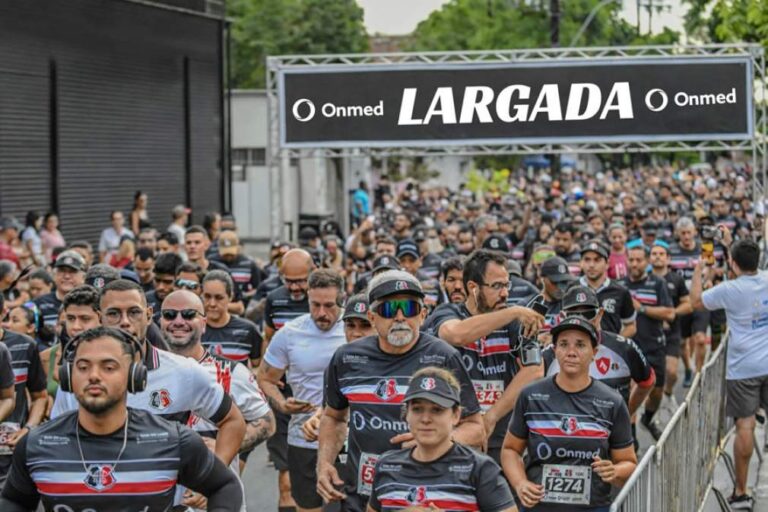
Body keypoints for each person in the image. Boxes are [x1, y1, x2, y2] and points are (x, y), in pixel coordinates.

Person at [0, 326, 243, 511]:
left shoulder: (173, 440)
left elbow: (225, 486)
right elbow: (13, 501)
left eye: (109, 367)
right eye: (83, 367)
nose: (94, 376)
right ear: (67, 377)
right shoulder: (37, 445)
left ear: (134, 377)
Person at [317, 270, 483, 512]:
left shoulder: (444, 357)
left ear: (423, 315)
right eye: (388, 309)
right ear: (372, 317)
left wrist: (437, 438)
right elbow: (333, 417)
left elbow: (477, 428)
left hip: (426, 498)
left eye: (409, 308)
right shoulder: (346, 358)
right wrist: (324, 464)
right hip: (361, 495)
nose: (399, 317)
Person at [50, 280, 246, 472]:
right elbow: (57, 441)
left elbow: (233, 421)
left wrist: (211, 476)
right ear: (100, 318)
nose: (125, 322)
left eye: (134, 312)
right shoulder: (78, 376)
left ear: (149, 315)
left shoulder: (183, 371)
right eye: (114, 314)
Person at [502, 316, 637, 512]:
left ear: (594, 353)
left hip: (593, 507)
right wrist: (520, 483)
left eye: (580, 345)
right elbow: (510, 450)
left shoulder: (612, 401)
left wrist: (615, 470)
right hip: (539, 507)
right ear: (555, 350)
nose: (571, 352)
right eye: (564, 344)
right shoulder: (530, 395)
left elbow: (629, 462)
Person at [425, 249, 544, 464]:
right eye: (497, 286)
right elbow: (456, 334)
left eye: (506, 285)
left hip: (501, 431)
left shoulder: (513, 322)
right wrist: (513, 312)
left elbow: (535, 369)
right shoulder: (447, 312)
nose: (505, 293)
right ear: (473, 288)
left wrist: (491, 418)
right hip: (455, 430)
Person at [160, 290, 275, 484]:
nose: (178, 321)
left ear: (204, 324)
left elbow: (267, 422)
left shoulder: (231, 372)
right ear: (160, 322)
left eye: (188, 314)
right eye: (170, 315)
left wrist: (223, 448)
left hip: (216, 493)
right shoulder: (145, 373)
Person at [367, 367, 516, 512]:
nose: (425, 419)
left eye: (437, 410)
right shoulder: (386, 465)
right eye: (417, 409)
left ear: (456, 415)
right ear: (406, 414)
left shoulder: (479, 468)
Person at [259, 269, 347, 512]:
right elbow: (265, 377)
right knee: (307, 507)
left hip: (346, 441)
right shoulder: (289, 333)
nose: (321, 313)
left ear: (342, 298)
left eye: (329, 305)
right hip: (303, 438)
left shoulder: (354, 331)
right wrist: (282, 403)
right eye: (315, 304)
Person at [691, 237, 768, 510]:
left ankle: (741, 492)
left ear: (733, 264)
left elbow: (697, 301)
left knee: (744, 426)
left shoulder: (729, 289)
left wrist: (700, 269)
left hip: (744, 369)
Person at [619, 243, 674, 440]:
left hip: (654, 346)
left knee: (656, 393)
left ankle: (648, 418)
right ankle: (629, 440)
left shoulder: (658, 283)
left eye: (638, 260)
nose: (634, 264)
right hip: (630, 350)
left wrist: (641, 308)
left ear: (647, 261)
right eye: (631, 260)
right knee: (632, 393)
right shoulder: (620, 286)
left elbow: (669, 314)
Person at [0, 294, 48, 486]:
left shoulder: (25, 345)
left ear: (3, 313)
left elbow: (40, 397)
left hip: (9, 450)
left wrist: (29, 428)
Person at [648, 240, 692, 408]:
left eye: (661, 254)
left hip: (672, 331)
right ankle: (652, 405)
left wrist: (673, 313)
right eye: (654, 254)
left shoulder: (676, 279)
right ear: (649, 258)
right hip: (650, 333)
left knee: (672, 372)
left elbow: (688, 304)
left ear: (668, 259)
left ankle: (667, 393)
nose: (658, 257)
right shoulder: (645, 280)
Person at [669, 216, 707, 382]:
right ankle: (688, 369)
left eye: (689, 233)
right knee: (683, 342)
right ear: (678, 233)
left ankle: (698, 377)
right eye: (683, 233)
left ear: (694, 233)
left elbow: (712, 269)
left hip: (700, 300)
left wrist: (709, 278)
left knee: (700, 338)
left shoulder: (705, 248)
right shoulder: (671, 250)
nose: (686, 236)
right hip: (682, 302)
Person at [201, 270, 263, 367]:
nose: (212, 303)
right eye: (207, 297)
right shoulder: (194, 329)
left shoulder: (248, 330)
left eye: (219, 298)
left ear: (230, 297)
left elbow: (258, 366)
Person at [578, 240, 637, 338]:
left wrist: (614, 344)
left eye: (597, 260)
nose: (591, 265)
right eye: (587, 259)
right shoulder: (571, 289)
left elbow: (631, 326)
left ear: (607, 263)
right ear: (581, 263)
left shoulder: (620, 291)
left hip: (608, 352)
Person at [33, 250, 86, 327]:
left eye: (72, 271)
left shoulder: (91, 304)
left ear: (83, 277)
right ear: (54, 275)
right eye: (62, 271)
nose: (67, 276)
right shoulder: (37, 304)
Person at [211, 230, 263, 306]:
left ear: (238, 248)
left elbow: (258, 288)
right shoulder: (212, 262)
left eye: (231, 253)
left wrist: (244, 295)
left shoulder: (249, 264)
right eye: (225, 253)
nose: (228, 256)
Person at [146, 252, 182, 324]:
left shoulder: (191, 302)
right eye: (157, 280)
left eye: (167, 282)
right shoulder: (145, 300)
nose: (160, 287)